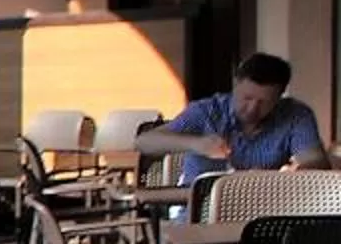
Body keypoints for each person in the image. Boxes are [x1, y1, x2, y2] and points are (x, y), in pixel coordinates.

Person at [136, 51, 330, 185]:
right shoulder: (206, 112)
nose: (252, 108)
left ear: (280, 96)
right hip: (200, 207)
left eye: (264, 102)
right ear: (235, 84)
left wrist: (289, 174)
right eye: (247, 98)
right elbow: (144, 142)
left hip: (266, 202)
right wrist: (195, 144)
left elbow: (317, 164)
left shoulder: (295, 115)